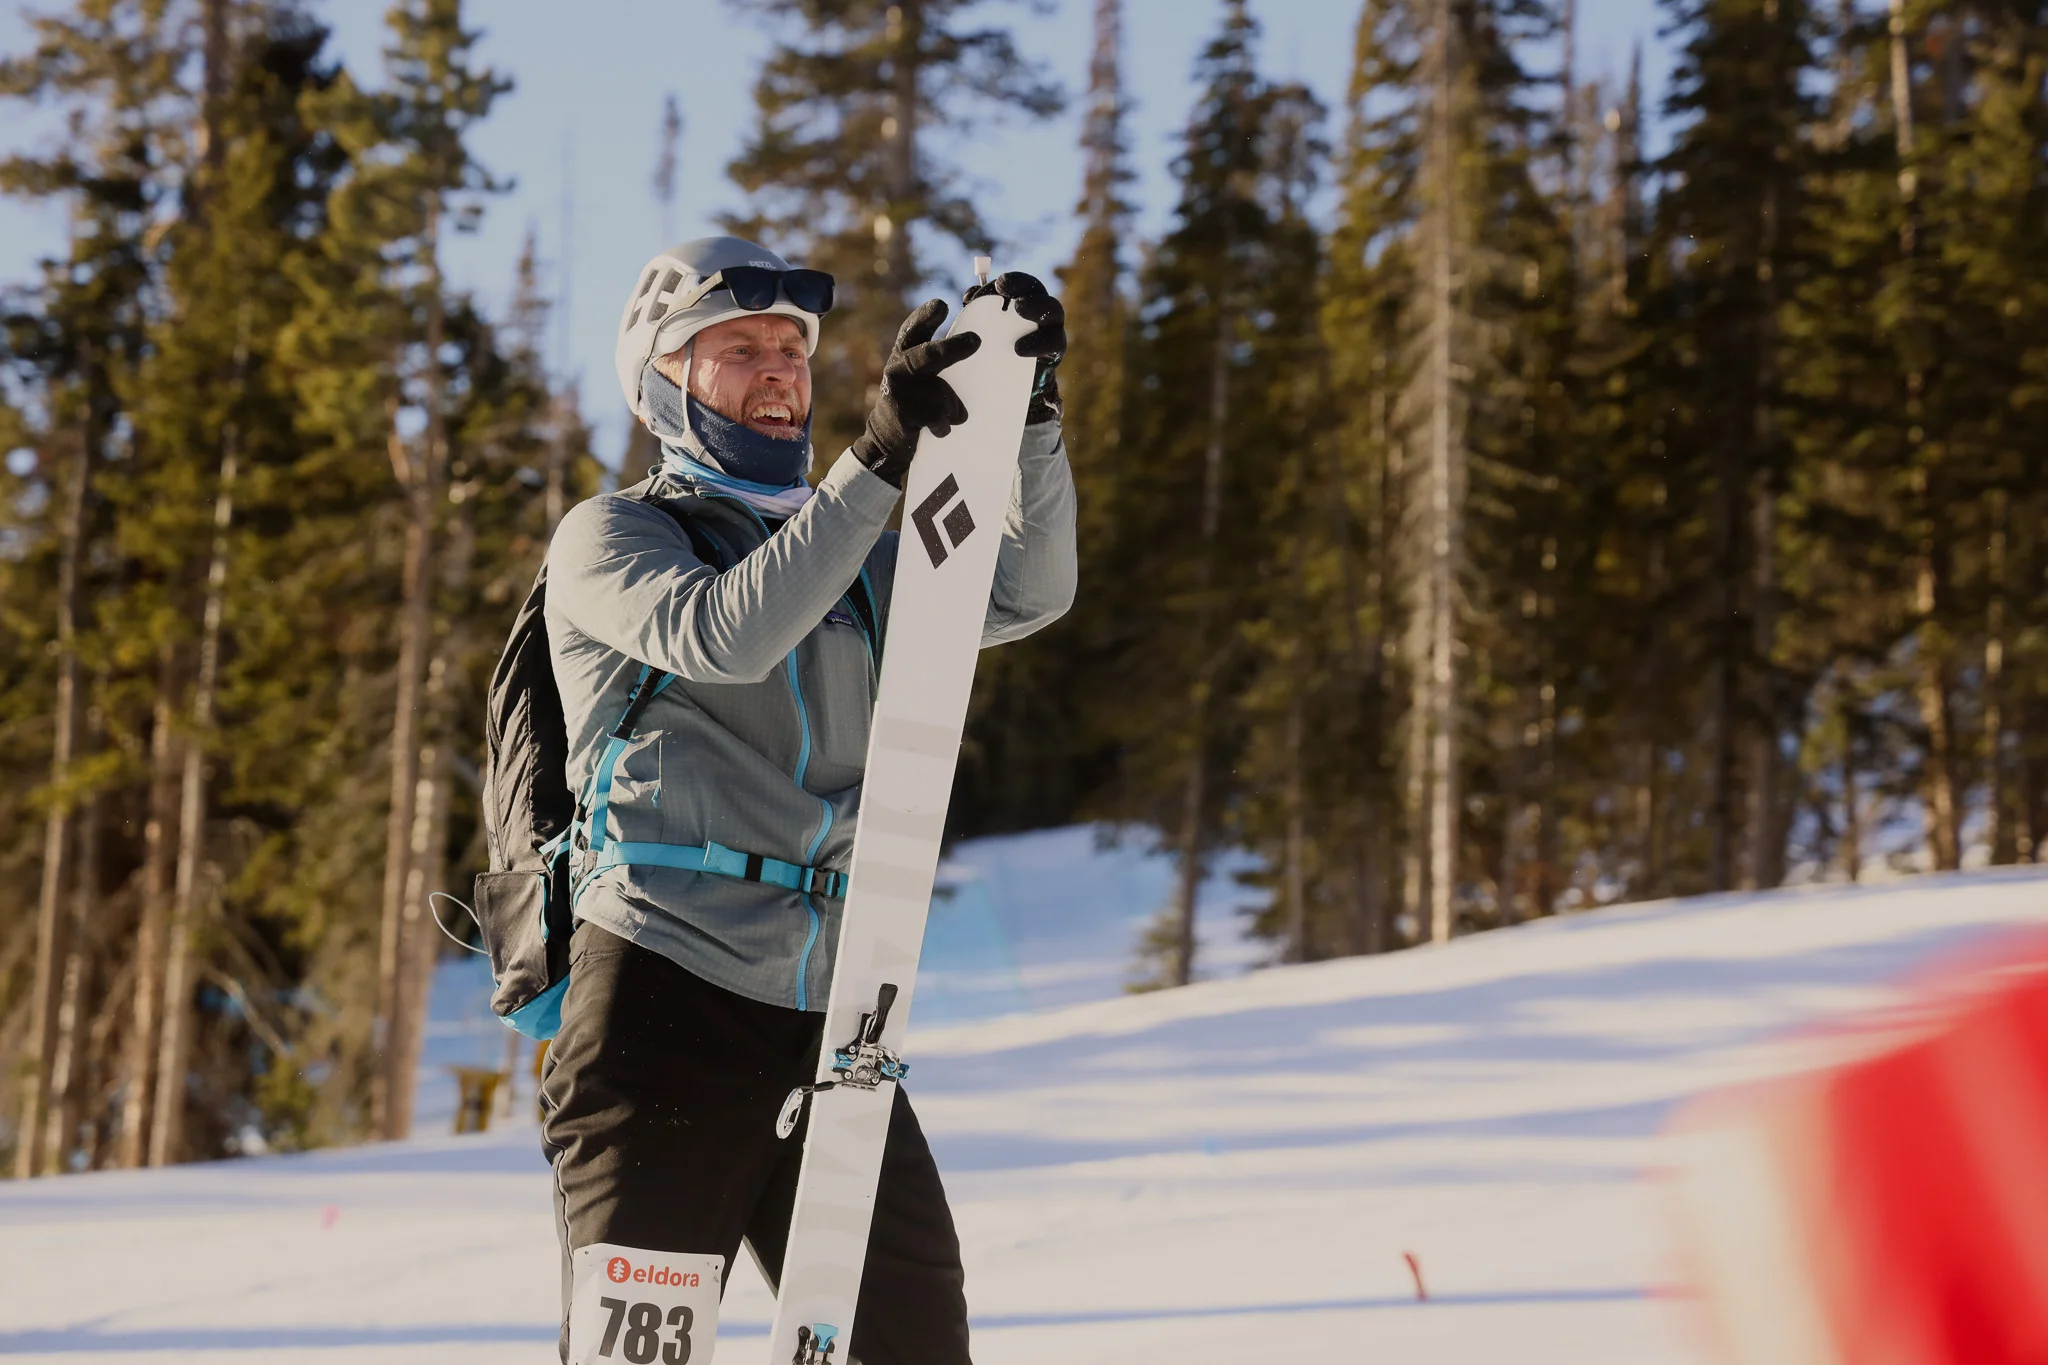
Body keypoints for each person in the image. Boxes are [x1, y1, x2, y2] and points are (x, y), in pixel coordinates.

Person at [539, 235, 1076, 1365]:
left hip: (838, 1021)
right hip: (659, 1001)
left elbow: (1027, 587)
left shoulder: (850, 566)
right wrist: (878, 463)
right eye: (739, 347)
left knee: (912, 1342)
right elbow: (725, 632)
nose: (780, 367)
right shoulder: (615, 537)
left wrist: (1023, 412)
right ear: (661, 381)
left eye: (792, 345)